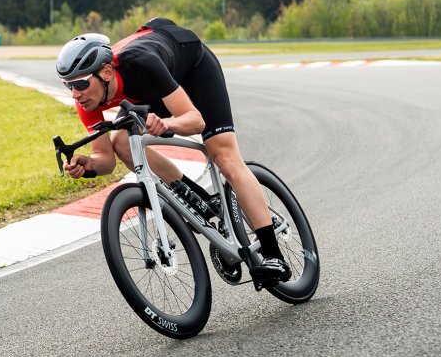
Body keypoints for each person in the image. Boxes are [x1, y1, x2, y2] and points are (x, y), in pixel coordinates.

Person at [55, 17, 290, 284]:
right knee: (121, 141)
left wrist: (166, 124)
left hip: (193, 69)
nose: (75, 93)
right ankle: (201, 200)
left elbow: (195, 120)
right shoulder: (86, 100)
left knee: (223, 154)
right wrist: (88, 164)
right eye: (68, 85)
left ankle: (274, 256)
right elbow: (106, 159)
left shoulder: (141, 64)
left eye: (81, 83)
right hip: (150, 91)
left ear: (106, 73)